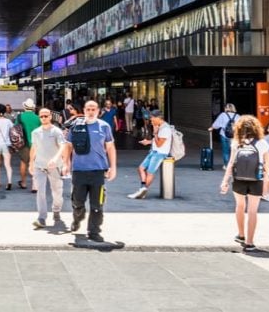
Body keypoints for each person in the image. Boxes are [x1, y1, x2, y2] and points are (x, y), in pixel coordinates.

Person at [219, 115, 269, 251]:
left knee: (239, 206)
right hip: (256, 180)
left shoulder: (236, 143)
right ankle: (250, 242)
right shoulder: (262, 143)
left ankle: (241, 235)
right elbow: (268, 164)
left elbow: (231, 163)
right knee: (252, 211)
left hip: (239, 179)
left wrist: (225, 181)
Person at [64, 100, 116, 243]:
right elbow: (68, 146)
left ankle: (94, 231)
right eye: (88, 109)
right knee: (77, 201)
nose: (91, 112)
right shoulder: (76, 126)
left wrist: (113, 167)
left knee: (97, 204)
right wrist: (66, 164)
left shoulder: (104, 127)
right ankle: (78, 216)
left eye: (94, 109)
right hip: (79, 170)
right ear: (84, 110)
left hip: (98, 171)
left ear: (98, 111)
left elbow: (110, 148)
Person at [29, 108, 66, 229]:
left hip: (54, 166)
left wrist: (57, 159)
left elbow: (62, 146)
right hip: (39, 166)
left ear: (51, 116)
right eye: (41, 116)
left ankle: (56, 210)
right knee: (40, 192)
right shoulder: (35, 132)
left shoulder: (56, 131)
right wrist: (31, 163)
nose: (44, 118)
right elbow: (33, 148)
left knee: (57, 192)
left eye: (46, 116)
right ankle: (42, 217)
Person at [128, 109, 171, 200]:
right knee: (141, 168)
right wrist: (148, 142)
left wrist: (155, 132)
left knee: (149, 172)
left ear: (158, 118)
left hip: (160, 153)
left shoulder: (165, 128)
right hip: (154, 151)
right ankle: (143, 189)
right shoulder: (160, 126)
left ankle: (142, 190)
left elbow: (160, 144)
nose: (151, 121)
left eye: (152, 119)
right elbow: (157, 141)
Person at [17, 99, 41, 191]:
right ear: (33, 108)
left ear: (24, 107)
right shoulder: (38, 118)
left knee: (24, 162)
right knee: (35, 163)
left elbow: (15, 129)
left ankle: (23, 182)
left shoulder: (20, 117)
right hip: (36, 144)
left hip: (24, 143)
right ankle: (34, 185)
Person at [208, 103, 239, 169]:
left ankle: (227, 166)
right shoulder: (237, 116)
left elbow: (216, 124)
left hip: (224, 135)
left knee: (226, 151)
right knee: (234, 151)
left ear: (226, 108)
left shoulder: (223, 115)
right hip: (235, 136)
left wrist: (212, 128)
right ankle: (234, 165)